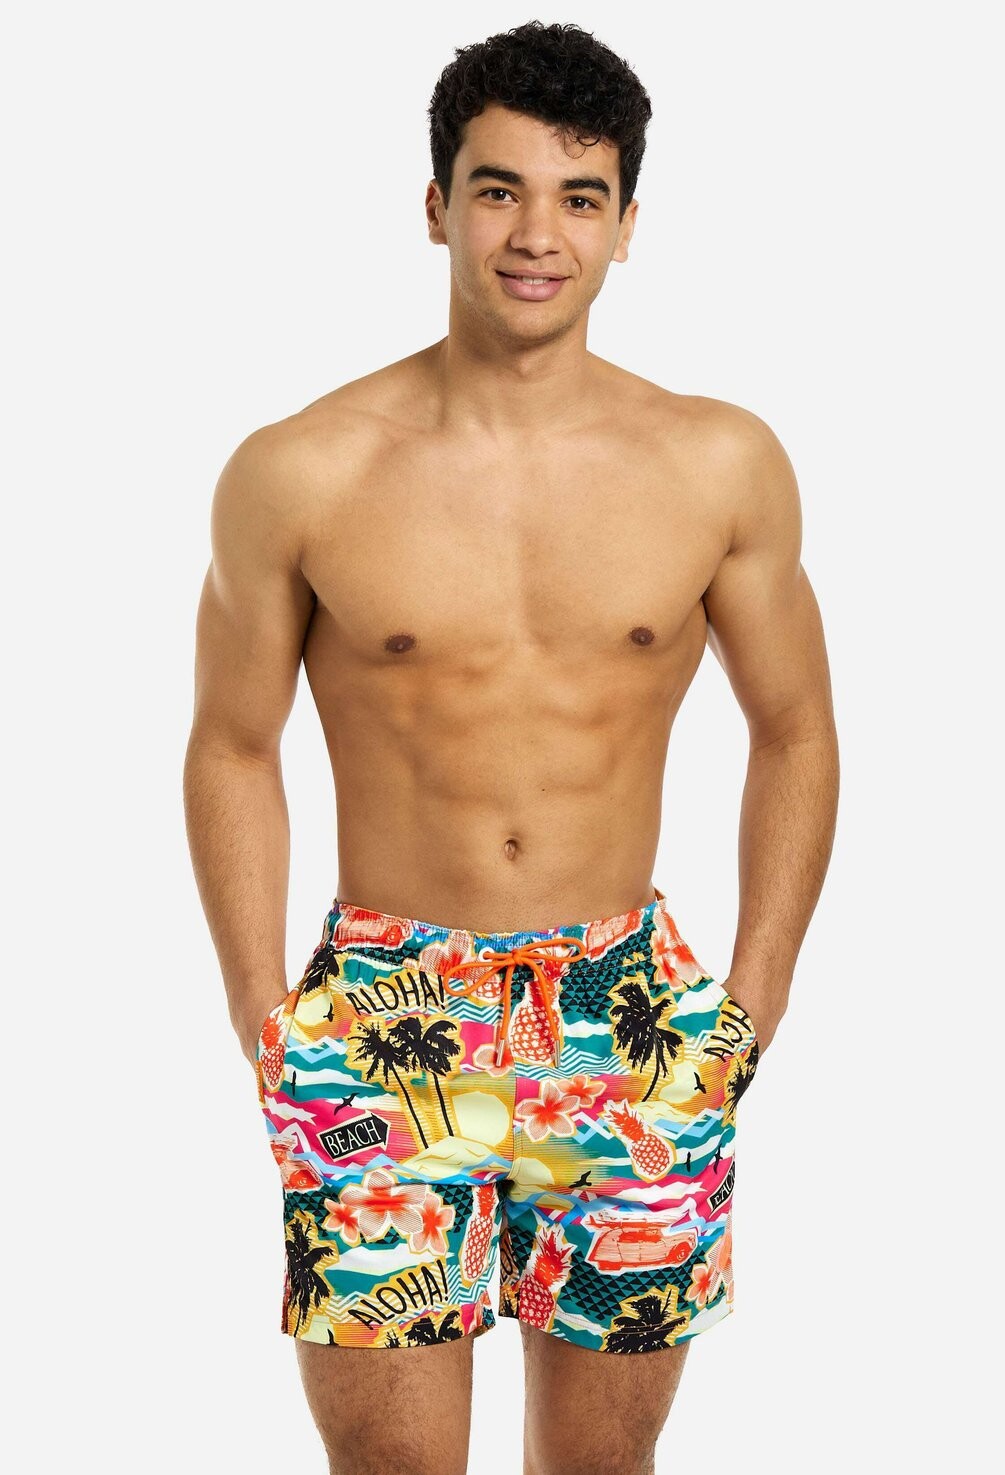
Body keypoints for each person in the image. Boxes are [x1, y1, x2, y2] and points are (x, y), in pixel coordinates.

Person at [184, 19, 839, 1475]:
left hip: (631, 1017)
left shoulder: (718, 463)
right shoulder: (300, 470)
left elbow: (796, 727)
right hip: (384, 1012)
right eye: (499, 190)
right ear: (437, 207)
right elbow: (231, 743)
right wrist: (262, 1015)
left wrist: (753, 1003)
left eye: (579, 197)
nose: (538, 235)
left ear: (626, 226)